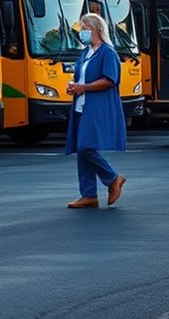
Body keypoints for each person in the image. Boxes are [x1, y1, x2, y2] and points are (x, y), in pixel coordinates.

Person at [64, 12, 127, 208]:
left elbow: (110, 80)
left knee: (85, 147)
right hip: (82, 105)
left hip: (97, 106)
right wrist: (74, 86)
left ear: (96, 30)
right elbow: (82, 78)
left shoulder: (108, 53)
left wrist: (84, 87)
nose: (81, 33)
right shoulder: (85, 53)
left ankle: (112, 178)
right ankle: (89, 194)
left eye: (84, 28)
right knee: (82, 149)